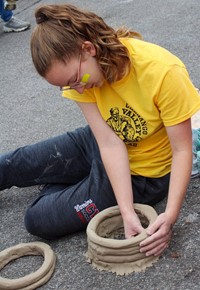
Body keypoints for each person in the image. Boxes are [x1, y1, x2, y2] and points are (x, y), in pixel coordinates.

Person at [1, 4, 200, 258]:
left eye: (74, 81)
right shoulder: (80, 74)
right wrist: (126, 211)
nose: (76, 89)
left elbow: (182, 149)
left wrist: (168, 216)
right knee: (11, 163)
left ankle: (69, 178)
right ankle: (71, 176)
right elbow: (108, 142)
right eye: (66, 86)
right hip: (101, 141)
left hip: (141, 175)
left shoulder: (162, 72)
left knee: (37, 218)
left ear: (88, 49)